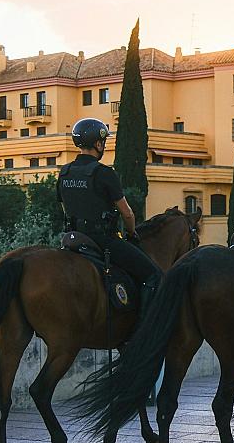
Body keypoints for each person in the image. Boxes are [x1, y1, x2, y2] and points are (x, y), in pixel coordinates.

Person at [57, 118, 162, 318]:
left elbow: (65, 208)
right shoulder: (104, 173)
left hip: (72, 238)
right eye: (103, 142)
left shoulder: (65, 172)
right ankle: (145, 329)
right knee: (153, 275)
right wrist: (131, 232)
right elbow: (127, 213)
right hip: (102, 240)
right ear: (98, 143)